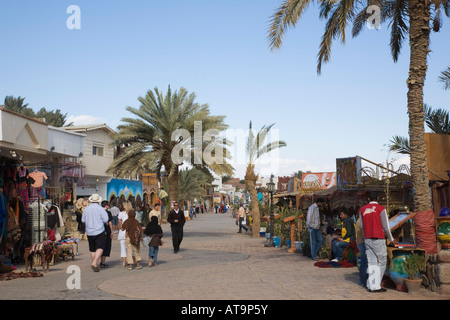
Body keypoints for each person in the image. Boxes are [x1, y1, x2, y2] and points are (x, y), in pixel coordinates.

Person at [359, 192, 396, 293]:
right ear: (378, 197)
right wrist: (391, 239)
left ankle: (371, 284)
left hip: (367, 239)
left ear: (368, 198)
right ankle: (374, 285)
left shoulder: (362, 210)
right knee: (382, 262)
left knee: (372, 263)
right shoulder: (381, 209)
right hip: (378, 239)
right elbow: (386, 227)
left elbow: (361, 226)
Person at [81, 194, 109, 272]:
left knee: (92, 248)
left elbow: (83, 220)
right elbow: (106, 219)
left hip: (89, 231)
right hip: (99, 230)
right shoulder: (101, 209)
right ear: (98, 201)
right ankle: (94, 262)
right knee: (100, 247)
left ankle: (95, 263)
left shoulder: (86, 209)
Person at [118, 201, 134, 268]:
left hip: (123, 231)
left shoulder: (121, 213)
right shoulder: (132, 213)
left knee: (123, 247)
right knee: (131, 247)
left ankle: (124, 262)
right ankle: (131, 260)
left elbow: (119, 223)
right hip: (130, 231)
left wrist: (121, 228)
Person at [356, 213, 368, 287]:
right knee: (365, 262)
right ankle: (364, 281)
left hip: (360, 242)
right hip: (362, 242)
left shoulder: (359, 220)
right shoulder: (361, 220)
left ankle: (362, 280)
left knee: (364, 262)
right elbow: (364, 233)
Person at [100, 200, 113, 268]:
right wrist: (111, 231)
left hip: (98, 231)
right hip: (106, 231)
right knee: (106, 246)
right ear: (106, 206)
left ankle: (95, 261)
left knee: (99, 246)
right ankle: (103, 262)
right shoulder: (108, 213)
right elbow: (110, 222)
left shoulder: (98, 212)